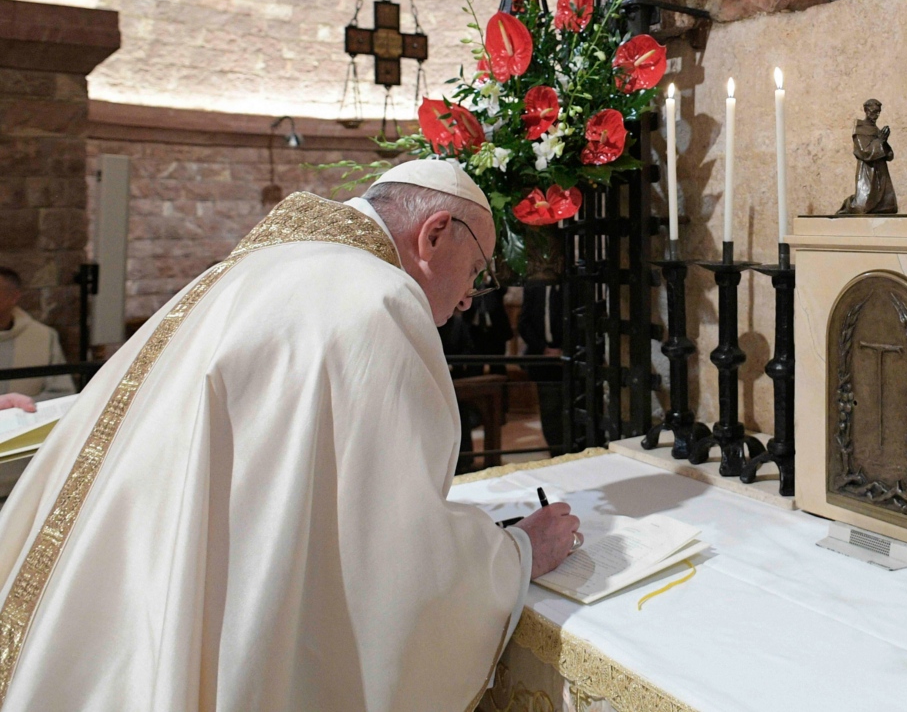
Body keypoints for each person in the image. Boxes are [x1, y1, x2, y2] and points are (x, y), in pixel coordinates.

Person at [0, 160, 580, 711]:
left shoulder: (261, 265)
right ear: (434, 234)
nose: (467, 298)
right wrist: (517, 552)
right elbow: (392, 547)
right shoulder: (378, 298)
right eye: (475, 271)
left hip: (127, 589)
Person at [0, 269, 74, 497]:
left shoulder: (43, 338)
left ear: (14, 297)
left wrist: (21, 410)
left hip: (21, 470)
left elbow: (61, 392)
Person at [837, 98, 898, 215]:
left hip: (880, 170)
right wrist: (879, 141)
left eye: (878, 112)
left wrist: (884, 141)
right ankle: (849, 204)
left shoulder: (876, 130)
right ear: (866, 111)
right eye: (873, 111)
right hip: (867, 170)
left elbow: (889, 156)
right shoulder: (859, 129)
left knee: (887, 206)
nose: (876, 115)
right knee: (862, 206)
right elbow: (864, 152)